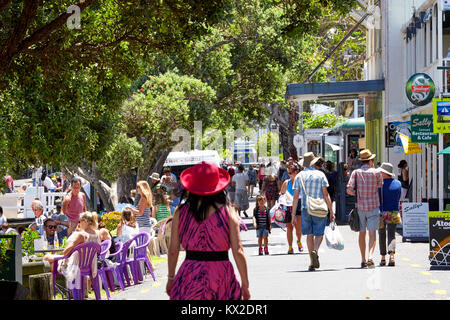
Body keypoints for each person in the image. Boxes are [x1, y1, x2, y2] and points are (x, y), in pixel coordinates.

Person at [166, 161, 250, 300]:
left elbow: (173, 249)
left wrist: (170, 277)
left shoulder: (180, 212)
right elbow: (238, 250)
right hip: (221, 276)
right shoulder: (229, 212)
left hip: (189, 275)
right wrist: (245, 284)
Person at [292, 152, 334, 271]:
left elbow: (295, 197)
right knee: (319, 233)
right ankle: (315, 250)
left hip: (306, 208)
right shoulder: (320, 175)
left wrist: (293, 214)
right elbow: (326, 195)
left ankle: (311, 261)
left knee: (309, 234)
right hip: (319, 208)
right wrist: (331, 210)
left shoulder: (299, 176)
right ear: (313, 162)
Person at [43, 212, 102, 289]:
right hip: (90, 266)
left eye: (79, 221)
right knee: (50, 261)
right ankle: (75, 289)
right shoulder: (97, 234)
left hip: (75, 265)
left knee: (47, 259)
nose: (79, 224)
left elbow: (65, 252)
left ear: (85, 221)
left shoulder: (81, 235)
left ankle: (52, 290)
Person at [346, 149, 383, 269]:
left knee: (362, 233)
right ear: (370, 160)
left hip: (360, 207)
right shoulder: (376, 172)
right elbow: (380, 185)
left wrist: (358, 193)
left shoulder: (356, 173)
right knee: (372, 234)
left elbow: (349, 189)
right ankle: (370, 257)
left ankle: (362, 259)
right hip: (373, 206)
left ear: (361, 161)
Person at [377, 163, 401, 267]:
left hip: (382, 213)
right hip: (393, 212)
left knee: (382, 235)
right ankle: (392, 256)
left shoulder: (379, 185)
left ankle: (383, 258)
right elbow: (398, 197)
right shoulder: (398, 184)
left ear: (384, 173)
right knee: (392, 235)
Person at [280, 163, 303, 254]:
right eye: (288, 172)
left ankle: (299, 240)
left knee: (298, 228)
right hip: (288, 206)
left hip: (298, 205)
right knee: (289, 227)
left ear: (296, 172)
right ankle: (290, 247)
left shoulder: (301, 182)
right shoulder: (286, 182)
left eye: (291, 172)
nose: (289, 174)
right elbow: (281, 193)